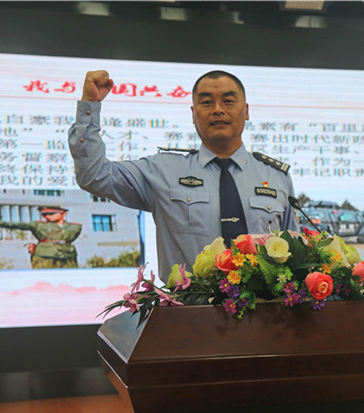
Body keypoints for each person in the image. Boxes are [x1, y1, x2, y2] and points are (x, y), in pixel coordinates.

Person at [68, 70, 297, 281]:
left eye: (228, 101)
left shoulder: (277, 177)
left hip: (264, 309)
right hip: (189, 309)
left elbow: (295, 254)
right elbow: (94, 176)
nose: (218, 109)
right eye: (206, 102)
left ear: (246, 111)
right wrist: (90, 106)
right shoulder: (162, 171)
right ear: (193, 114)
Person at [0, 207, 82, 268]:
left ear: (63, 213)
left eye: (51, 214)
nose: (47, 216)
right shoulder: (38, 225)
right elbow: (13, 224)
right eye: (44, 214)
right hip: (45, 255)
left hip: (68, 254)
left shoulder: (75, 227)